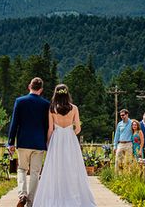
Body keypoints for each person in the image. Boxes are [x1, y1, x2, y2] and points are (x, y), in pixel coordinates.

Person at [32, 83, 96, 207]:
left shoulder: (52, 108)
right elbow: (78, 128)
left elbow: (50, 129)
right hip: (70, 139)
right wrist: (70, 133)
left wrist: (48, 142)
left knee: (55, 166)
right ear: (67, 94)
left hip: (56, 139)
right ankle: (72, 194)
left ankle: (56, 195)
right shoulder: (74, 108)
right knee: (72, 166)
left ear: (55, 94)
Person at [7, 77, 50, 207]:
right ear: (41, 90)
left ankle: (22, 195)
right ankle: (31, 202)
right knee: (35, 173)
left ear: (29, 86)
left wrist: (10, 142)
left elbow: (14, 123)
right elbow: (47, 125)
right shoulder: (46, 104)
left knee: (22, 169)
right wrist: (47, 142)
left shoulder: (20, 101)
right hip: (38, 143)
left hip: (23, 141)